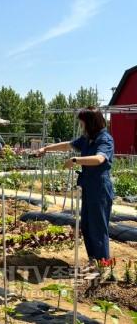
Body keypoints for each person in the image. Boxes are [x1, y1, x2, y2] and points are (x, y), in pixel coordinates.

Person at [38, 107, 114, 267]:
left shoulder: (104, 139)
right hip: (87, 186)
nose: (81, 126)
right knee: (86, 225)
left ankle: (104, 265)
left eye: (82, 123)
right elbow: (68, 145)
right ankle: (94, 260)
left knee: (98, 226)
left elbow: (99, 159)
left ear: (90, 123)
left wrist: (75, 161)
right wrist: (46, 148)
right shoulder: (87, 138)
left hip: (100, 187)